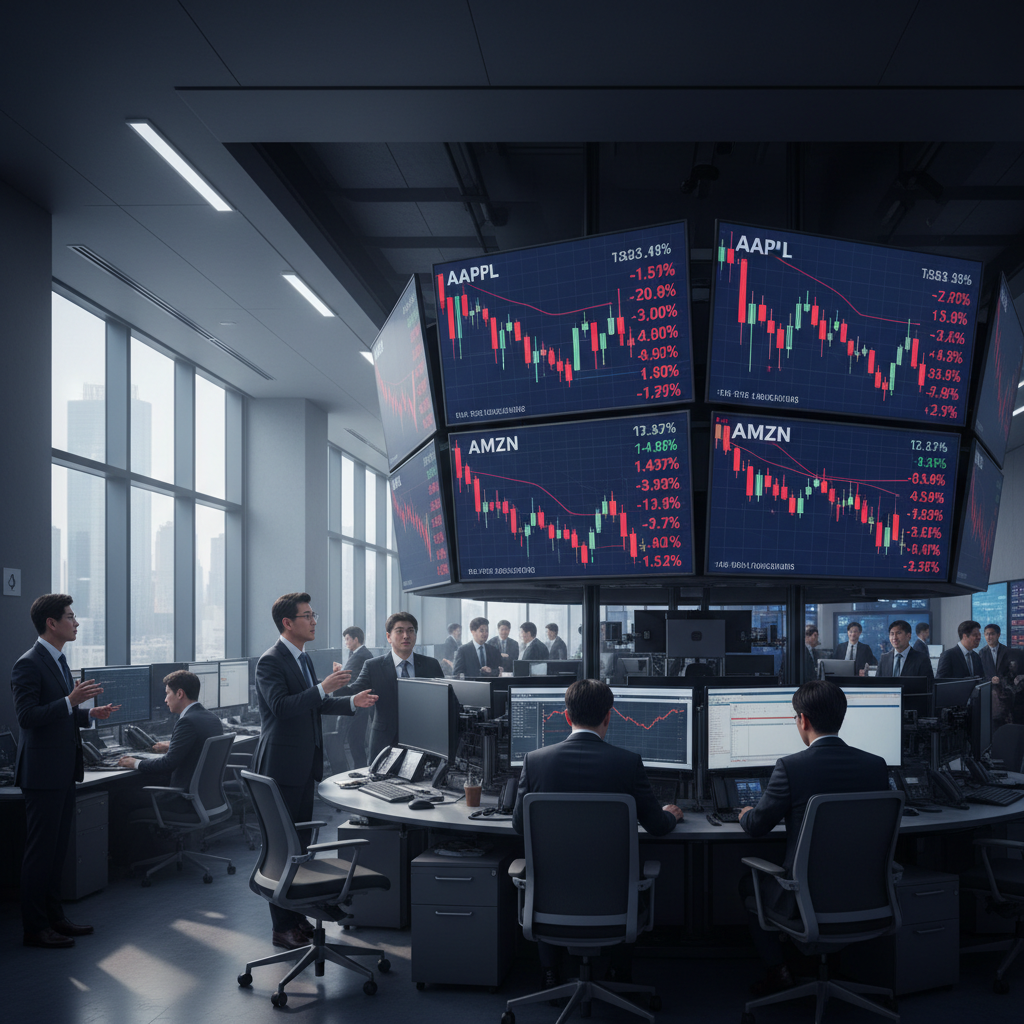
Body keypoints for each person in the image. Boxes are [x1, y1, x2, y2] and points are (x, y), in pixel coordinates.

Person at [512, 679, 683, 988]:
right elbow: (657, 827)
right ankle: (619, 973)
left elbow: (519, 826)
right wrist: (670, 815)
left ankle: (551, 974)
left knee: (550, 872)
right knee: (627, 876)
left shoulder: (534, 762)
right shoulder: (628, 764)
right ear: (609, 716)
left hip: (550, 903)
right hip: (615, 904)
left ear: (566, 716)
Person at [737, 680, 889, 994]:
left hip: (805, 899)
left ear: (803, 720)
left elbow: (756, 826)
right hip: (865, 893)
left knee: (746, 883)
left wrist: (744, 813)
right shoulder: (876, 767)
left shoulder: (791, 768)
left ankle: (779, 972)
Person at [251, 592, 378, 950]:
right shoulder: (270, 661)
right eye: (307, 616)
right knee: (282, 848)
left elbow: (313, 704)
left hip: (302, 764)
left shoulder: (302, 660)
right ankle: (281, 927)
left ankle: (296, 916)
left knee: (300, 847)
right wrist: (323, 687)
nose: (314, 620)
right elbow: (282, 707)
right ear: (287, 623)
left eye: (314, 614)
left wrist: (351, 701)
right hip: (280, 765)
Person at [11, 594, 119, 948]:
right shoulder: (28, 663)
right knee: (40, 853)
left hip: (61, 770)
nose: (76, 623)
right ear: (51, 624)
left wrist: (88, 715)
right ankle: (35, 928)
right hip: (42, 774)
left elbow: (58, 713)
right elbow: (27, 718)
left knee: (57, 852)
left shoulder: (58, 661)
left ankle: (55, 918)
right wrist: (71, 702)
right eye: (71, 617)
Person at [117, 671, 223, 812]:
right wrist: (173, 746)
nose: (165, 700)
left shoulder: (187, 721)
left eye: (167, 694)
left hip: (182, 799)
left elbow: (167, 764)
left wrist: (135, 762)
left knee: (119, 796)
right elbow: (199, 749)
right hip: (206, 797)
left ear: (180, 694)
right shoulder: (212, 718)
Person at [354, 611, 444, 762]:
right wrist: (331, 686)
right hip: (385, 743)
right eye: (399, 631)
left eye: (410, 631)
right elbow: (354, 691)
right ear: (389, 637)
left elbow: (445, 702)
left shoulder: (431, 665)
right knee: (381, 785)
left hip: (425, 742)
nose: (406, 636)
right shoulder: (373, 666)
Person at [338, 625, 373, 768]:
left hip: (359, 704)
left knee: (355, 739)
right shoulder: (356, 655)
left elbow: (354, 680)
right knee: (354, 740)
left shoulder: (362, 655)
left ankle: (360, 769)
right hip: (357, 702)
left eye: (347, 639)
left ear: (356, 639)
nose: (345, 642)